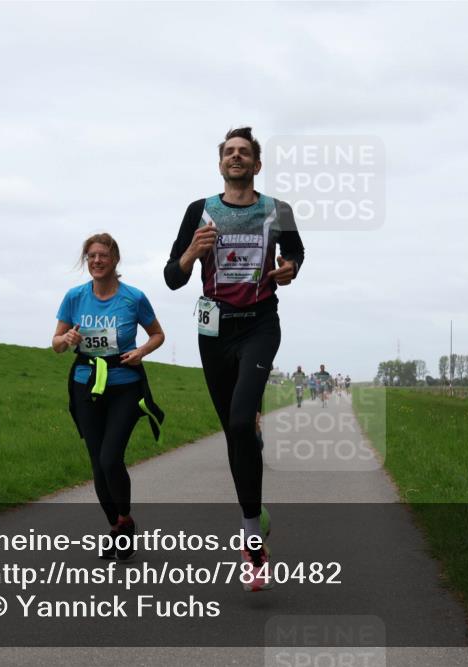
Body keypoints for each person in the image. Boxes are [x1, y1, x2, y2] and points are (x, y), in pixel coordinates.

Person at [164, 127, 304, 592]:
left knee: (242, 422)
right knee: (235, 430)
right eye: (229, 152)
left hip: (260, 325)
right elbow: (172, 277)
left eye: (244, 152)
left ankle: (251, 545)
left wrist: (290, 268)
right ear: (220, 163)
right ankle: (253, 507)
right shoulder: (199, 211)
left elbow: (295, 253)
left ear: (257, 165)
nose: (236, 157)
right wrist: (192, 252)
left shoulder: (277, 210)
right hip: (214, 330)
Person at [54, 233, 164, 560]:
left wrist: (141, 351)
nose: (97, 261)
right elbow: (56, 344)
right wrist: (66, 338)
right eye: (91, 256)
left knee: (110, 459)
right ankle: (118, 526)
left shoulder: (133, 298)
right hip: (86, 385)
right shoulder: (74, 297)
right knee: (97, 465)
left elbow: (157, 334)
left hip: (125, 384)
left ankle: (124, 517)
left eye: (103, 255)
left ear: (115, 259)